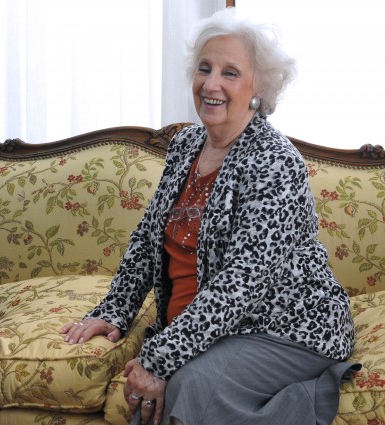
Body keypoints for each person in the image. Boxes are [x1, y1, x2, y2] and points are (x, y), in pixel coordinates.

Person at [60, 8, 358, 425]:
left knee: (192, 384)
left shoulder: (274, 162)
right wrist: (113, 312)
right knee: (183, 380)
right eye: (205, 68)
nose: (211, 84)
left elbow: (242, 283)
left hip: (288, 328)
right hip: (210, 326)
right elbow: (148, 240)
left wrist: (160, 358)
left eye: (230, 72)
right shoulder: (186, 145)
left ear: (259, 88)